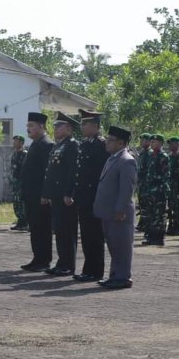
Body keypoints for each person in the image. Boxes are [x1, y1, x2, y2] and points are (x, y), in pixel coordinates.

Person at [93, 126, 137, 289]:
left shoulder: (127, 160)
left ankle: (123, 277)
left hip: (119, 213)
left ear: (121, 143)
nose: (107, 143)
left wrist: (120, 210)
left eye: (110, 140)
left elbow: (127, 189)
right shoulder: (112, 158)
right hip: (108, 211)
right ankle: (115, 276)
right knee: (114, 245)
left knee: (122, 247)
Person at [41, 112, 80, 276]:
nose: (55, 129)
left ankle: (68, 265)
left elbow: (73, 172)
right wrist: (46, 193)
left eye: (59, 126)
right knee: (59, 230)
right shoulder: (58, 145)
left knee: (67, 231)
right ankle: (61, 262)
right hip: (56, 195)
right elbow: (51, 173)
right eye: (55, 126)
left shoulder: (72, 145)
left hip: (65, 196)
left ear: (69, 128)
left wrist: (69, 193)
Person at [72, 110, 109, 281]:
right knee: (86, 234)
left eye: (85, 124)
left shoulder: (101, 145)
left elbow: (99, 174)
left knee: (95, 235)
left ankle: (95, 271)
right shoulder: (86, 143)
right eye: (81, 124)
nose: (82, 127)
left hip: (94, 196)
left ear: (95, 126)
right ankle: (88, 269)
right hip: (84, 197)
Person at [19, 112, 54, 272]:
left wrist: (45, 194)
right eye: (27, 126)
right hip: (31, 195)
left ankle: (44, 260)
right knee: (34, 228)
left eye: (31, 126)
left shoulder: (47, 144)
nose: (28, 129)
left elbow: (48, 173)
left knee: (42, 228)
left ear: (41, 126)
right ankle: (37, 258)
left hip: (40, 196)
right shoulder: (35, 143)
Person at [142, 134, 169, 246]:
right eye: (152, 141)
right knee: (150, 214)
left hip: (159, 190)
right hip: (149, 190)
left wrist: (161, 188)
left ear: (161, 143)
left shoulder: (163, 156)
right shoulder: (150, 155)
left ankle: (159, 238)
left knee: (159, 215)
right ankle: (151, 236)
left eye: (155, 142)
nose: (152, 143)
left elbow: (165, 175)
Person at [10, 134, 28, 231]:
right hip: (15, 182)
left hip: (21, 182)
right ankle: (20, 221)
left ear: (21, 143)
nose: (14, 143)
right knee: (16, 202)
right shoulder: (14, 153)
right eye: (14, 141)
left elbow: (24, 169)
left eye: (15, 141)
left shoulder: (25, 154)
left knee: (22, 202)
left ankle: (25, 222)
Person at [135, 133, 152, 232]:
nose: (142, 142)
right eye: (141, 140)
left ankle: (146, 224)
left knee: (146, 204)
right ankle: (142, 222)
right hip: (141, 183)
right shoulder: (142, 153)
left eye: (144, 140)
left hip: (146, 182)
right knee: (142, 203)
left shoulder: (150, 153)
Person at [165, 136, 179, 236]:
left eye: (172, 143)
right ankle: (171, 226)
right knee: (170, 206)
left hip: (177, 186)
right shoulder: (168, 157)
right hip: (170, 186)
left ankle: (177, 227)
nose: (170, 145)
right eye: (169, 144)